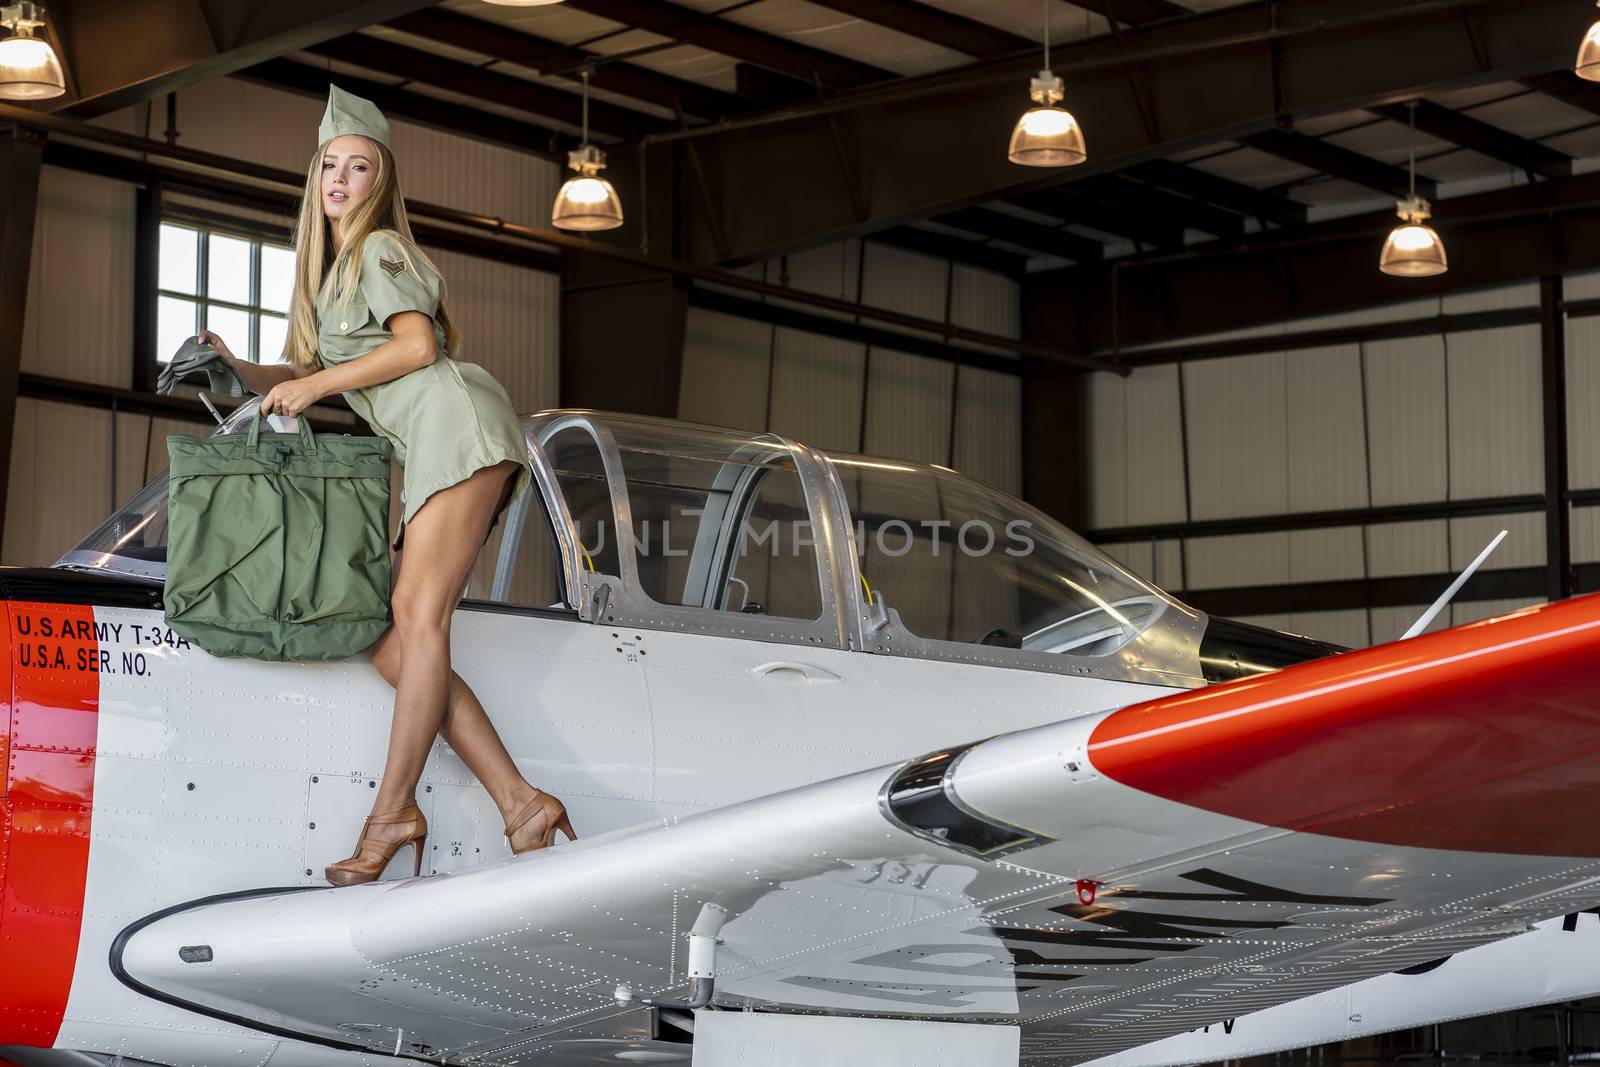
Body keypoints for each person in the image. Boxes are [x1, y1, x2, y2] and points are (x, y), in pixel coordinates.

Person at [198, 85, 574, 885]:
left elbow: (415, 348)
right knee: (394, 643)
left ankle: (393, 811)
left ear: (381, 181)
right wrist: (237, 364)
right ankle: (520, 801)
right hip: (431, 441)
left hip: (457, 423)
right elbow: (307, 372)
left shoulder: (378, 251)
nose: (339, 178)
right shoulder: (328, 274)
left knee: (415, 615)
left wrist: (315, 390)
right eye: (329, 165)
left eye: (357, 166)